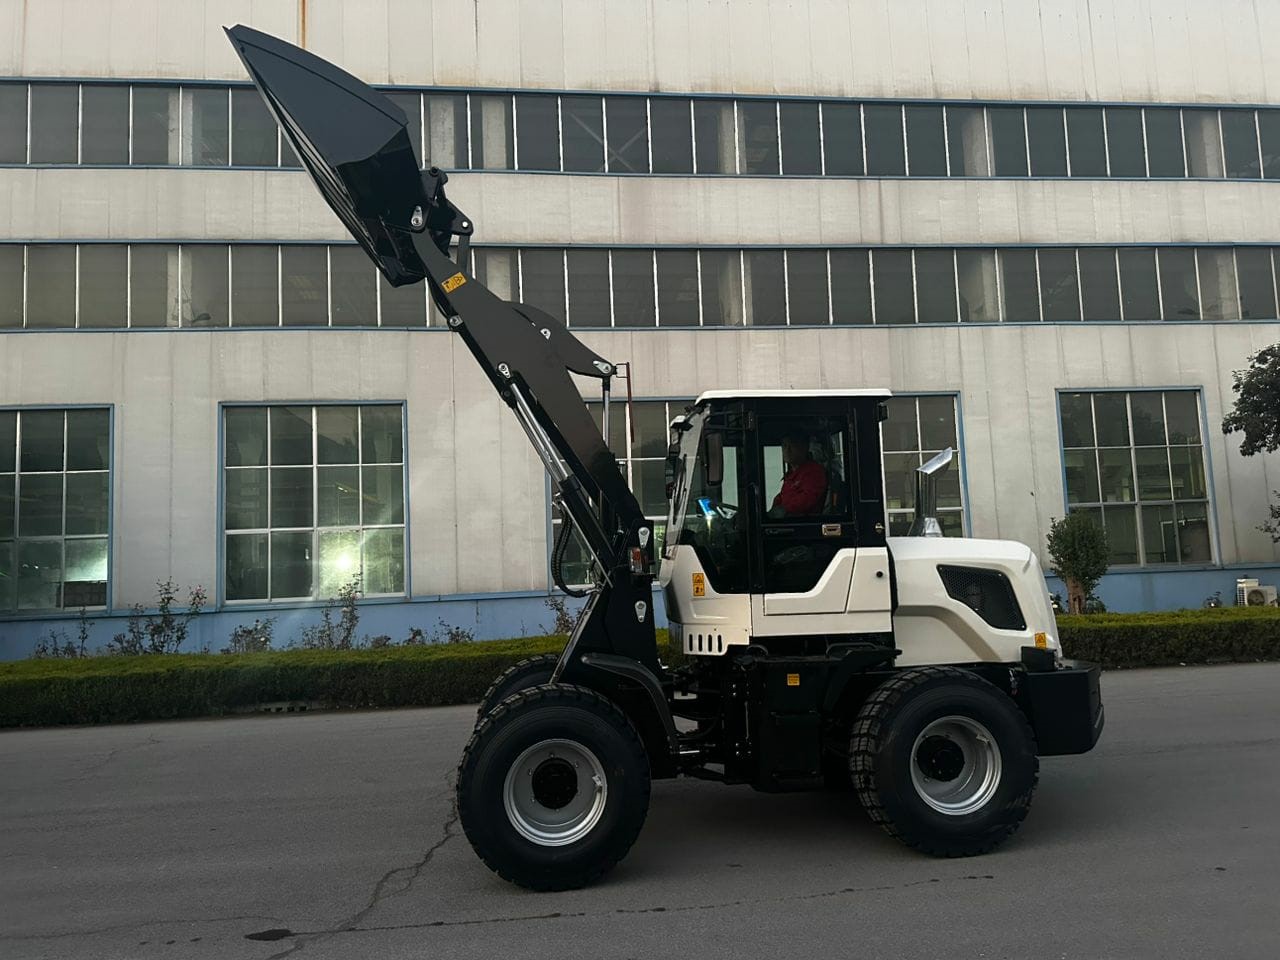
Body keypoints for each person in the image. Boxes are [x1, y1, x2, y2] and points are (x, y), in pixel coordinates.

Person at [768, 431, 827, 518]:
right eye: (784, 445)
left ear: (805, 447)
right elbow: (783, 495)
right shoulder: (792, 473)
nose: (787, 450)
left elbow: (807, 498)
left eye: (792, 445)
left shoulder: (814, 472)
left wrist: (784, 509)